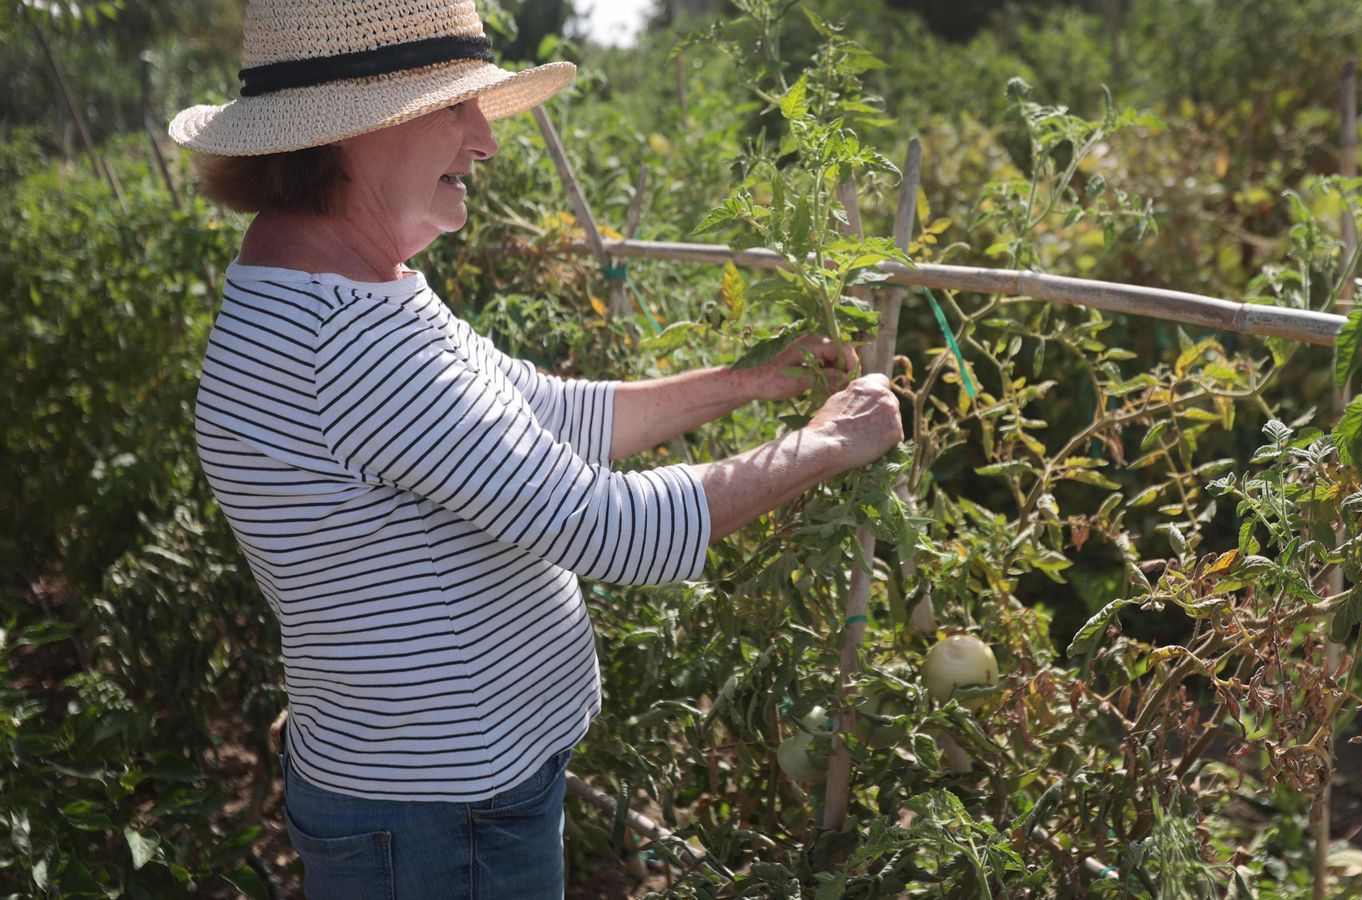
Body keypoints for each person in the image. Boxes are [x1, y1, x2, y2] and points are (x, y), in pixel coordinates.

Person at [168, 1, 903, 896]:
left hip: (437, 798)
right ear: (357, 129)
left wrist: (746, 380)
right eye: (454, 107)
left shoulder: (340, 286)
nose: (486, 139)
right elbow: (611, 530)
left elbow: (546, 413)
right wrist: (827, 446)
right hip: (438, 821)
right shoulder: (344, 338)